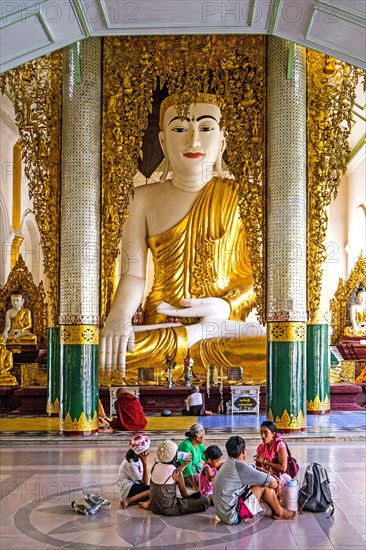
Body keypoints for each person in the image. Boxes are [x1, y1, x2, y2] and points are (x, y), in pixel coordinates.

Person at [100, 94, 266, 384]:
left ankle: (196, 339)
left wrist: (224, 307)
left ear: (222, 140)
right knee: (105, 355)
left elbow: (258, 279)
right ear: (163, 142)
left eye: (205, 128)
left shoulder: (246, 197)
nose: (193, 142)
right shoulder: (140, 199)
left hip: (224, 327)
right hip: (164, 327)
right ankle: (191, 338)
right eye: (180, 129)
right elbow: (133, 276)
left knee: (277, 349)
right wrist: (118, 318)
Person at [213, 436, 297, 525]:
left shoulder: (230, 463)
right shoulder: (240, 468)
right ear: (244, 451)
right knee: (264, 485)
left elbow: (253, 468)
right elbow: (272, 483)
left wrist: (271, 475)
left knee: (261, 481)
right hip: (233, 517)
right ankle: (279, 512)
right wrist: (275, 480)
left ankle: (277, 511)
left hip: (223, 513)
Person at [146, 439, 210, 516]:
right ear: (175, 457)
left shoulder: (155, 466)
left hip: (154, 507)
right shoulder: (177, 473)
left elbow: (173, 474)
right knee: (205, 500)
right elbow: (185, 495)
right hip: (170, 508)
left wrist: (185, 465)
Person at [117, 434, 151, 508]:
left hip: (133, 486)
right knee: (154, 490)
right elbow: (144, 483)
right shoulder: (131, 463)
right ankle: (129, 500)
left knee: (155, 490)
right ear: (142, 452)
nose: (149, 450)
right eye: (147, 449)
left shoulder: (137, 458)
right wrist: (145, 463)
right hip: (127, 490)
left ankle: (143, 500)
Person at [177, 424, 206, 490]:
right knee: (203, 482)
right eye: (203, 435)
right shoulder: (185, 445)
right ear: (197, 437)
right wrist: (195, 486)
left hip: (197, 470)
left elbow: (208, 458)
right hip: (185, 474)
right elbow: (187, 469)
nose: (204, 437)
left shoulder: (200, 446)